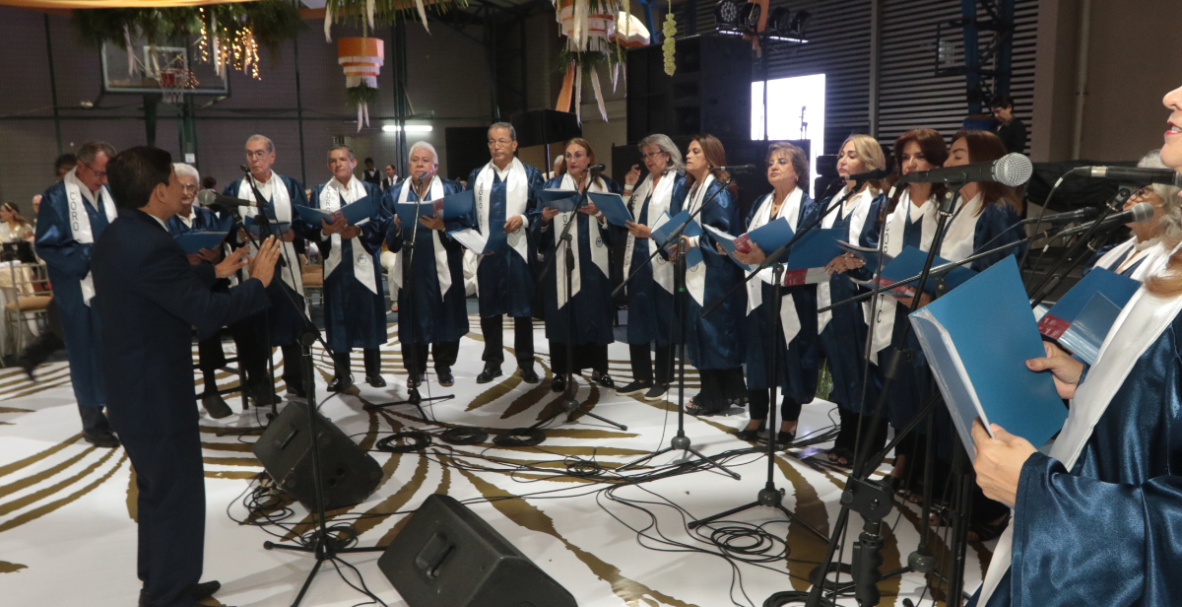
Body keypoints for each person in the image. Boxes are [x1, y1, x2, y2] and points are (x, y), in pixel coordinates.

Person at [967, 86, 1182, 607]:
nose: (1169, 95)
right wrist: (1094, 380)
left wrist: (1041, 494)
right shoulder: (1171, 260)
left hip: (1091, 552)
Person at [92, 146, 281, 607]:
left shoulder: (121, 234)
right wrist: (257, 282)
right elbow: (204, 315)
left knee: (159, 493)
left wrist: (211, 271)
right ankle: (169, 596)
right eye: (177, 184)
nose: (184, 191)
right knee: (175, 494)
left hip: (132, 386)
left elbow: (156, 291)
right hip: (155, 392)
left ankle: (163, 581)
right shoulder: (152, 243)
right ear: (159, 191)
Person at [864, 128, 948, 492]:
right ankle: (901, 462)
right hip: (892, 310)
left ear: (935, 162)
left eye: (920, 157)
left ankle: (924, 471)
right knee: (898, 388)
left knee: (925, 390)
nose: (912, 164)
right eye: (907, 158)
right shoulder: (891, 203)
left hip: (928, 310)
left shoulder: (947, 207)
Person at [729, 142, 818, 444]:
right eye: (770, 163)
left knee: (791, 356)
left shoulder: (808, 207)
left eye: (782, 161)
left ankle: (789, 422)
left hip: (792, 294)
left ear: (798, 172)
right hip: (758, 293)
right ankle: (757, 416)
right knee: (758, 356)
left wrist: (765, 256)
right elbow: (750, 240)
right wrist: (733, 247)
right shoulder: (759, 204)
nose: (773, 167)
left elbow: (807, 252)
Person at [34, 140, 119, 448]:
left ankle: (119, 414)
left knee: (116, 351)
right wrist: (93, 254)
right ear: (81, 167)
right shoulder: (56, 198)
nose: (103, 180)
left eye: (107, 174)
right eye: (98, 173)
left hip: (113, 288)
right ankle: (94, 423)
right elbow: (47, 245)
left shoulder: (110, 194)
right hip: (78, 289)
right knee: (86, 354)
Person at [167, 163, 268, 418]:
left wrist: (215, 255)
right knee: (207, 319)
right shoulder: (163, 222)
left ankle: (256, 379)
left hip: (216, 282)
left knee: (250, 311)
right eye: (182, 186)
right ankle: (210, 390)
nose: (187, 192)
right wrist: (182, 259)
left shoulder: (210, 217)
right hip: (183, 291)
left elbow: (224, 254)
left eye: (192, 186)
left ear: (199, 189)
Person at [815, 134, 887, 466]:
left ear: (870, 164)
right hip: (830, 293)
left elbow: (882, 253)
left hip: (861, 299)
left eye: (852, 156)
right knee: (842, 368)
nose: (842, 161)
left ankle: (868, 443)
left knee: (864, 370)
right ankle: (846, 435)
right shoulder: (833, 199)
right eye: (841, 155)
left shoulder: (879, 202)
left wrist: (856, 261)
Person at [224, 134, 312, 399]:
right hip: (252, 266)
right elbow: (225, 228)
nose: (254, 159)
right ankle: (259, 385)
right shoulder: (234, 190)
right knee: (254, 326)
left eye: (260, 153)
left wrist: (294, 234)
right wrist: (237, 235)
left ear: (272, 156)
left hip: (285, 265)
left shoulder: (291, 186)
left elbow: (306, 222)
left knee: (293, 320)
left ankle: (295, 380)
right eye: (250, 154)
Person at [535, 138, 621, 394]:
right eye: (569, 155)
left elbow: (619, 223)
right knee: (562, 313)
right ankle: (561, 371)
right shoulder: (551, 186)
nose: (573, 160)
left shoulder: (606, 186)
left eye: (578, 155)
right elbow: (537, 223)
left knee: (596, 312)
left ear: (589, 159)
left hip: (595, 263)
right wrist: (544, 219)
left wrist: (601, 214)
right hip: (562, 259)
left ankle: (599, 368)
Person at [670, 134, 746, 415]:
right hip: (697, 270)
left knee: (713, 335)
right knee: (704, 333)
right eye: (688, 150)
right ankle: (728, 391)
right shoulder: (694, 190)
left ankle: (714, 396)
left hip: (715, 274)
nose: (688, 155)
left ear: (711, 157)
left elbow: (722, 238)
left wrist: (689, 243)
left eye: (695, 151)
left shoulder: (718, 191)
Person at [305, 145, 391, 392]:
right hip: (336, 265)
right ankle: (342, 374)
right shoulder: (320, 192)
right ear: (328, 165)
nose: (338, 164)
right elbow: (312, 228)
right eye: (332, 160)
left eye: (342, 159)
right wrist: (325, 230)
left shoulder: (371, 190)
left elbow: (383, 221)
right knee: (338, 318)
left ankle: (373, 372)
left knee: (369, 317)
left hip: (364, 260)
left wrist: (360, 230)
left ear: (353, 163)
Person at [384, 141, 469, 387]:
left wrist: (444, 226)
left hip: (444, 262)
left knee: (446, 314)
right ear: (409, 164)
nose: (419, 164)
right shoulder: (394, 193)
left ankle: (444, 367)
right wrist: (396, 224)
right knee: (413, 317)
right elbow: (387, 232)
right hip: (412, 265)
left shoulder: (451, 189)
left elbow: (466, 223)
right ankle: (415, 369)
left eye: (425, 160)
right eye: (415, 160)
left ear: (435, 165)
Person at [466, 122, 544, 385]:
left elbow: (539, 209)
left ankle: (526, 363)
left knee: (522, 311)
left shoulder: (531, 175)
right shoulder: (477, 175)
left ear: (514, 144)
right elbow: (469, 214)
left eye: (501, 141)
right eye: (491, 141)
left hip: (517, 251)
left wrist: (522, 218)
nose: (496, 146)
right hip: (488, 251)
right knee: (489, 310)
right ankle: (492, 363)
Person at [618, 134, 685, 401]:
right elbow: (626, 219)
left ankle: (664, 378)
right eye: (645, 155)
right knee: (638, 320)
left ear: (667, 155)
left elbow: (682, 221)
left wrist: (653, 232)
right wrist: (627, 188)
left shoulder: (678, 183)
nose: (648, 160)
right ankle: (641, 376)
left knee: (663, 320)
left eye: (653, 154)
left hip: (662, 258)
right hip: (638, 258)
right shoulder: (643, 183)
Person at [1083, 150, 1180, 281]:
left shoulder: (1173, 261)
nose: (1129, 198)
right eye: (1129, 188)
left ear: (1170, 203)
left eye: (1141, 192)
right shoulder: (1109, 253)